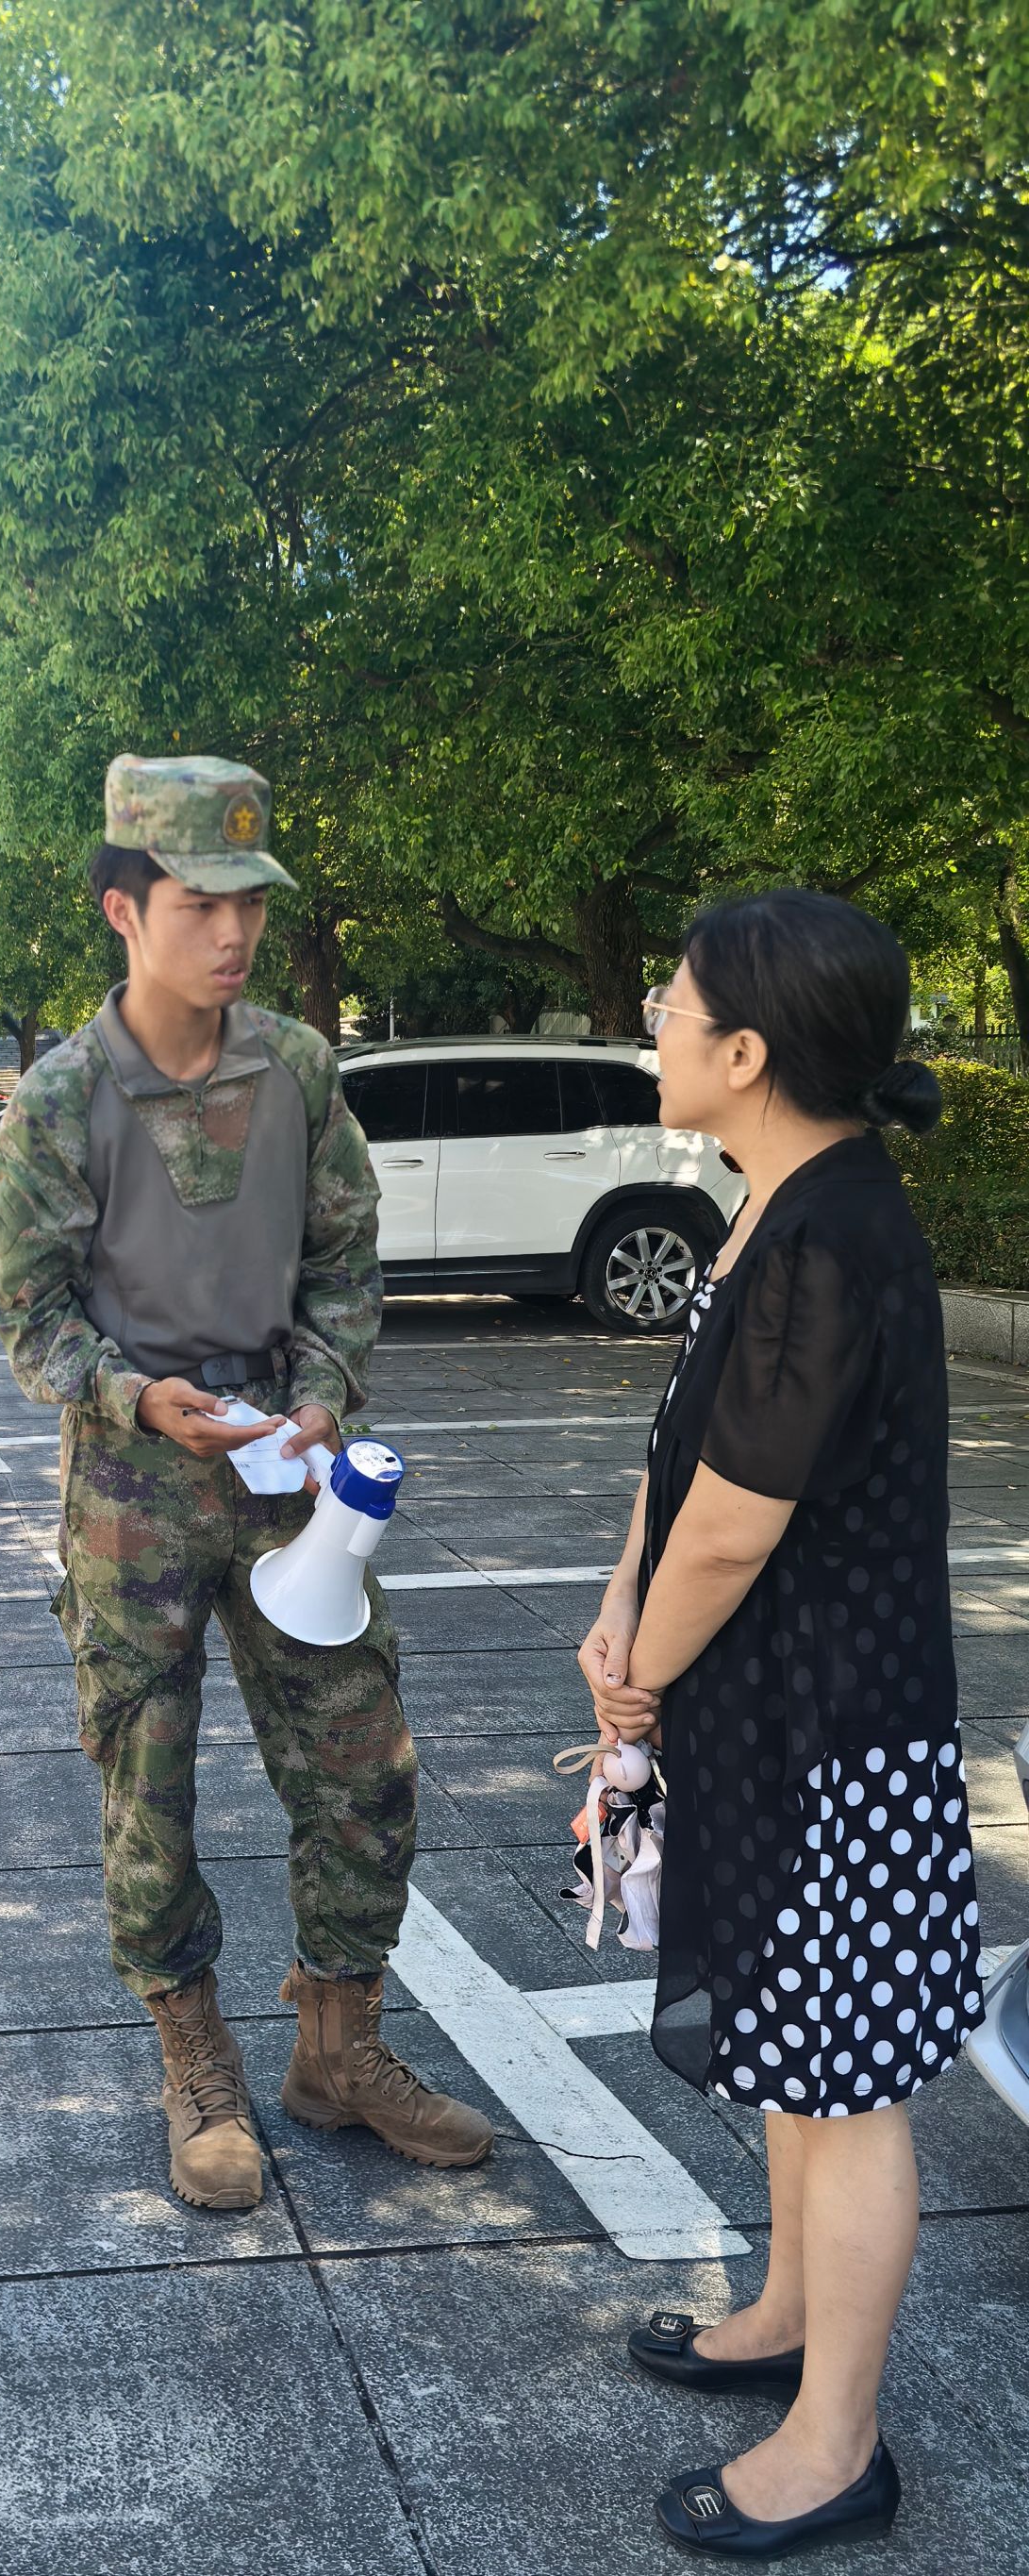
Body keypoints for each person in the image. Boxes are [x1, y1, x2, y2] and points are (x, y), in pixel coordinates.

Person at [0, 754, 492, 2213]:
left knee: (363, 1759)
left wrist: (324, 1389)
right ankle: (195, 2057)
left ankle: (340, 2048)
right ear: (122, 909)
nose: (234, 932)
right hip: (134, 1490)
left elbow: (343, 1255)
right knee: (147, 1780)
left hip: (285, 1470)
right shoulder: (64, 1097)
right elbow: (30, 1313)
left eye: (250, 903)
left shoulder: (298, 1068)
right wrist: (133, 1391)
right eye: (201, 903)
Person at [578, 890, 980, 2559]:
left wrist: (637, 1678)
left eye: (669, 1007)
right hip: (773, 1712)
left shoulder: (832, 1235)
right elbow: (685, 1450)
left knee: (849, 2084)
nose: (654, 1028)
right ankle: (786, 2315)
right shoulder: (776, 1205)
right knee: (800, 2054)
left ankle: (837, 2445)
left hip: (839, 1728)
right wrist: (621, 1602)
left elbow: (738, 1524)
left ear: (745, 1052)